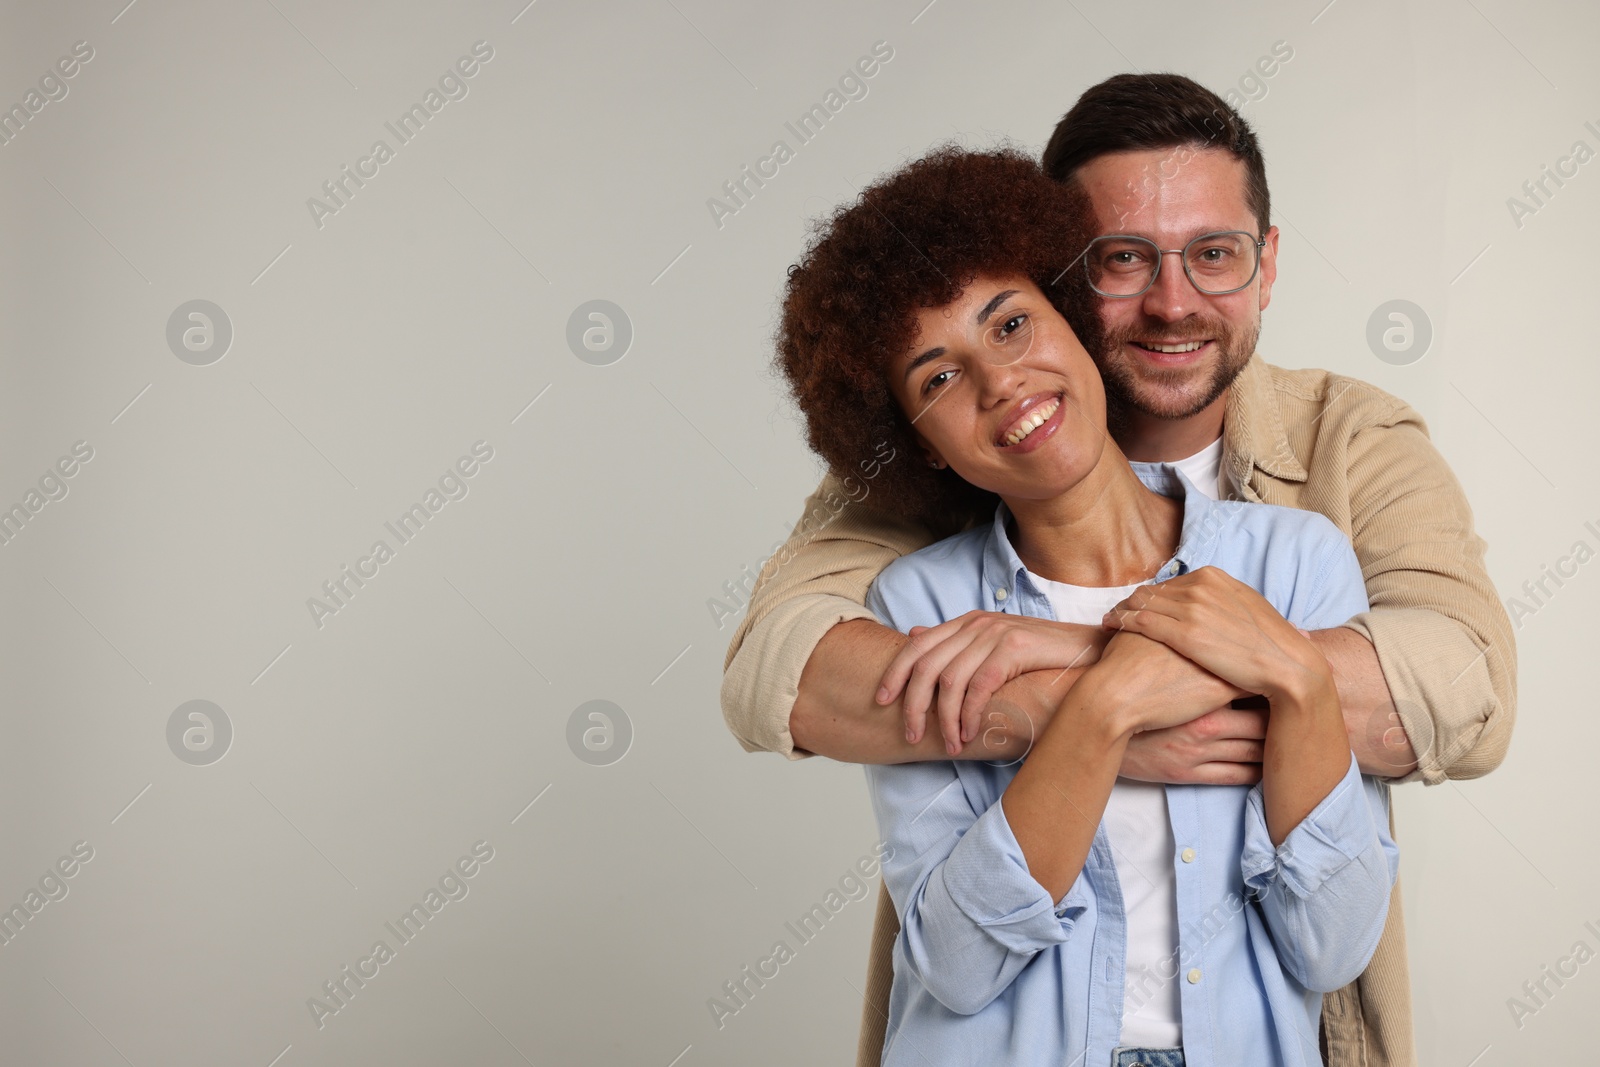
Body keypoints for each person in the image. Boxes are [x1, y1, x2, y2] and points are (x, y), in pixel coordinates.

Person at [722, 74, 1515, 1067]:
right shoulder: (915, 557)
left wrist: (1079, 646)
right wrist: (1093, 714)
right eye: (1125, 259)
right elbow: (775, 668)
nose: (1172, 302)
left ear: (1266, 266)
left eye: (1213, 255)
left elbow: (1461, 687)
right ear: (1072, 280)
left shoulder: (1338, 470)